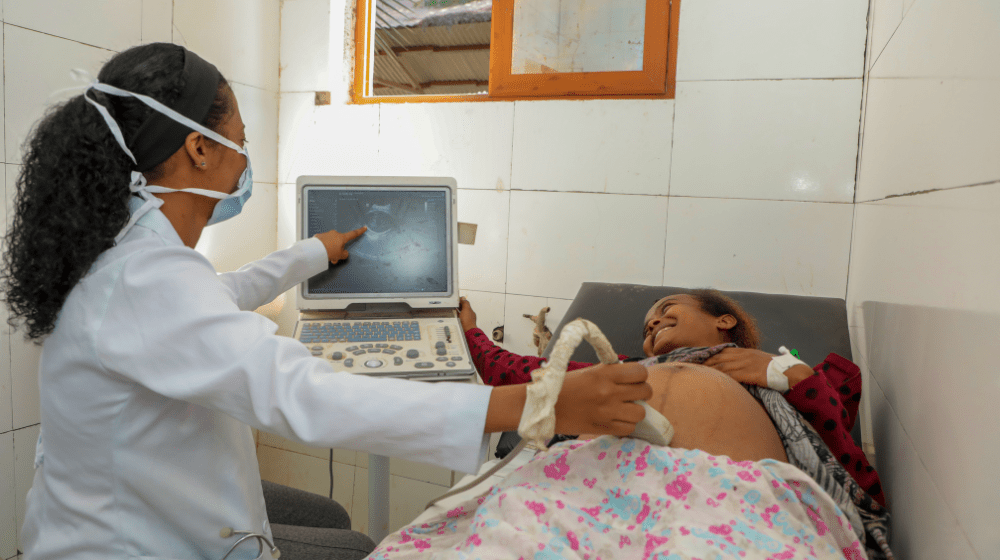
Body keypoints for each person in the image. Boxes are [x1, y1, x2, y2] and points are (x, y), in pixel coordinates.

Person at [0, 43, 654, 560]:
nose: (246, 156)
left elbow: (218, 296)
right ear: (199, 149)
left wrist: (314, 253)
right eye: (241, 141)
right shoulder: (147, 278)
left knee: (328, 518)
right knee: (354, 541)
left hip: (139, 506)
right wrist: (539, 402)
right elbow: (305, 394)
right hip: (127, 543)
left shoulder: (135, 257)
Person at [459, 290, 887, 507]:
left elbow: (842, 465)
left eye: (666, 309)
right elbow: (515, 373)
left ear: (724, 320)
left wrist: (792, 375)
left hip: (730, 504)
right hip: (592, 492)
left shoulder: (776, 374)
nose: (653, 324)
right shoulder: (620, 373)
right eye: (647, 328)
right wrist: (470, 330)